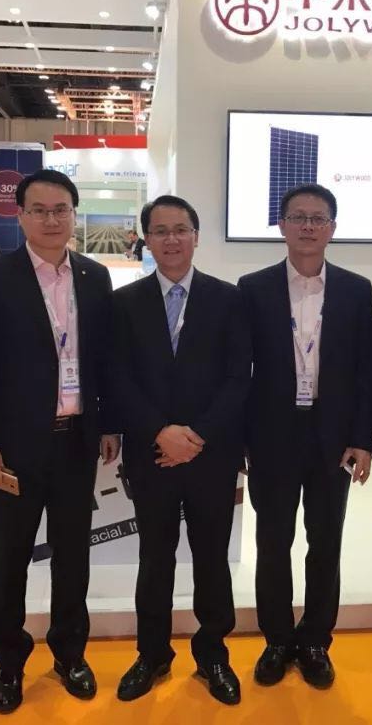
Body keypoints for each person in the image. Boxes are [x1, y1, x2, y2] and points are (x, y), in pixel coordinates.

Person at [0, 169, 119, 714]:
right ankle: (9, 662)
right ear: (21, 215)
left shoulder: (95, 277)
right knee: (10, 558)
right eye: (39, 210)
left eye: (61, 210)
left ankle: (70, 654)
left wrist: (109, 424)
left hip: (76, 442)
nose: (51, 220)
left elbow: (104, 362)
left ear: (74, 215)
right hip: (14, 448)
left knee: (74, 557)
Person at [111, 195, 251, 706]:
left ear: (196, 236)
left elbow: (239, 377)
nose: (171, 239)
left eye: (181, 229)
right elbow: (117, 377)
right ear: (146, 239)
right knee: (155, 557)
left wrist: (197, 437)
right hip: (151, 455)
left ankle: (213, 655)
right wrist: (160, 432)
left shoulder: (229, 299)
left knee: (212, 558)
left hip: (211, 455)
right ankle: (151, 654)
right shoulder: (124, 303)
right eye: (160, 230)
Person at [237, 184, 372, 690]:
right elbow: (238, 371)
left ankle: (316, 640)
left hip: (332, 436)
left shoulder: (357, 290)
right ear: (282, 225)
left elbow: (366, 373)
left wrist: (363, 438)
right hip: (272, 435)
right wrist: (241, 440)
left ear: (333, 228)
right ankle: (276, 639)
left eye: (319, 218)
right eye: (299, 217)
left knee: (325, 541)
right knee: (273, 541)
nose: (309, 226)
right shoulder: (252, 288)